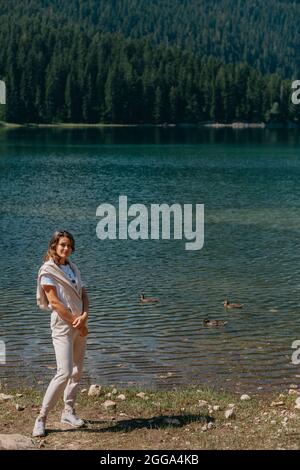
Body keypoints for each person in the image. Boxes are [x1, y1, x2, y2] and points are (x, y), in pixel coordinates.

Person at [32, 230, 89, 438]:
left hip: (79, 323)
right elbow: (54, 302)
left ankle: (68, 411)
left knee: (77, 371)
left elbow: (83, 294)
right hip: (63, 327)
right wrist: (77, 323)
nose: (66, 248)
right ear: (54, 246)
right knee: (64, 372)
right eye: (62, 244)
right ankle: (42, 418)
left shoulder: (73, 268)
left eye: (69, 245)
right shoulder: (48, 270)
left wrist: (84, 316)